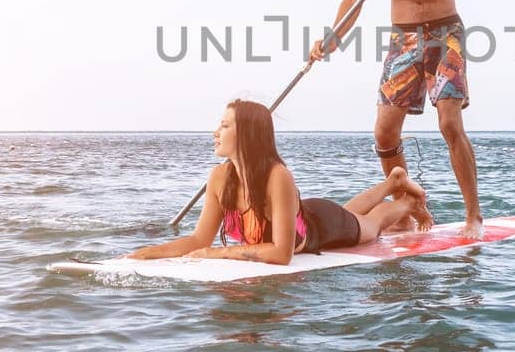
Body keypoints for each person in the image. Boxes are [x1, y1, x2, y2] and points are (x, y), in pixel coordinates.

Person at [309, 0, 484, 239]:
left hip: (443, 32)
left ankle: (474, 215)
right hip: (403, 38)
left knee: (450, 123)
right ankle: (408, 207)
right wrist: (331, 38)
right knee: (385, 134)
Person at [125, 100, 431, 265]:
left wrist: (217, 253)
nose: (215, 132)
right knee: (352, 213)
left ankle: (405, 199)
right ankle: (392, 182)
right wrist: (144, 254)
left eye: (224, 125)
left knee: (371, 225)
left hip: (322, 226)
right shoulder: (219, 177)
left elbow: (282, 254)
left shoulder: (276, 175)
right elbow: (197, 241)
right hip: (306, 216)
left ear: (246, 133)